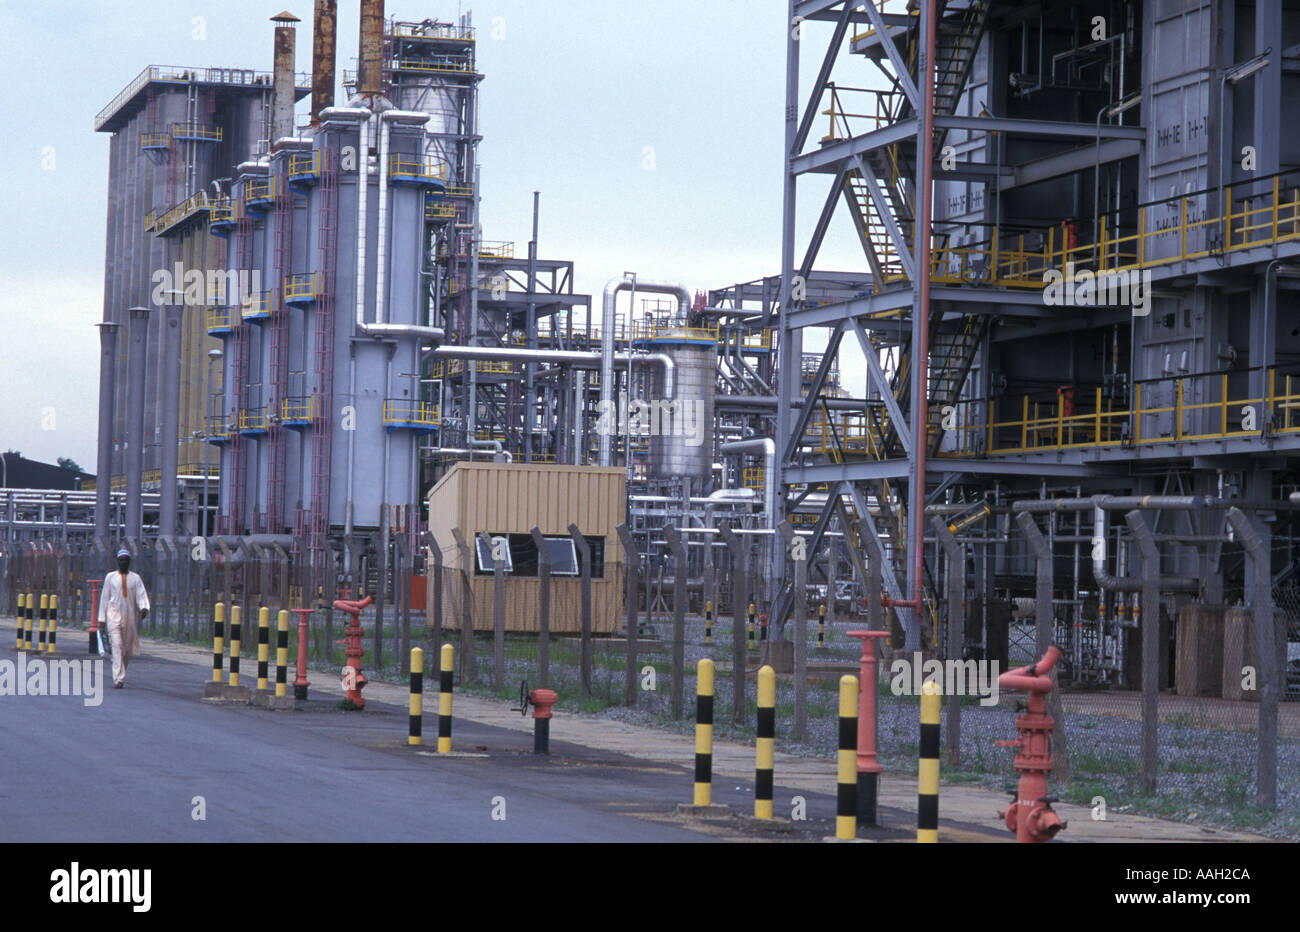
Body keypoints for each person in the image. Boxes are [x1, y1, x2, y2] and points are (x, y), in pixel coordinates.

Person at [99, 547, 149, 688]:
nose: (123, 563)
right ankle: (118, 679)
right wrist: (101, 620)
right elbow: (104, 598)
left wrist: (144, 607)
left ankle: (121, 673)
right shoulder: (110, 577)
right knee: (117, 644)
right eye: (121, 560)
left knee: (126, 649)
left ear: (129, 562)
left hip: (130, 617)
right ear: (117, 561)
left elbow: (141, 595)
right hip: (113, 615)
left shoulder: (136, 578)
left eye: (126, 560)